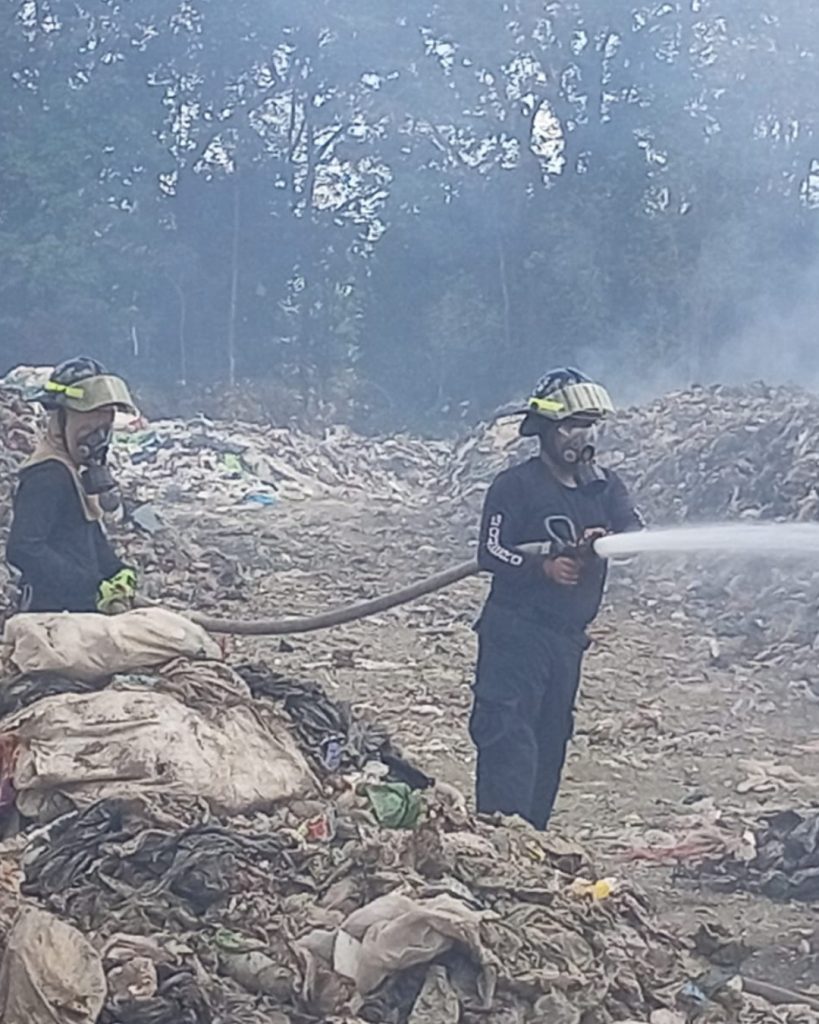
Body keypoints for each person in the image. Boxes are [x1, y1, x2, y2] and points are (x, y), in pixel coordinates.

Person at [471, 367, 643, 830]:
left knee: (551, 741)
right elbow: (490, 552)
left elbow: (634, 536)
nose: (581, 436)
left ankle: (535, 841)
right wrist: (543, 566)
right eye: (571, 425)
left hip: (566, 642)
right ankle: (498, 841)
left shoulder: (605, 487)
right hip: (515, 635)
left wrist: (603, 541)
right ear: (544, 431)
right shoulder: (516, 486)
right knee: (509, 738)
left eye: (588, 425)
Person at [6, 356, 139, 614]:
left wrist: (118, 572)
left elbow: (89, 538)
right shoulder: (47, 475)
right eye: (90, 424)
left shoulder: (71, 472)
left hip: (80, 611)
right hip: (52, 614)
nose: (98, 437)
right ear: (61, 419)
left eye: (105, 425)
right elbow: (23, 548)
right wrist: (92, 586)